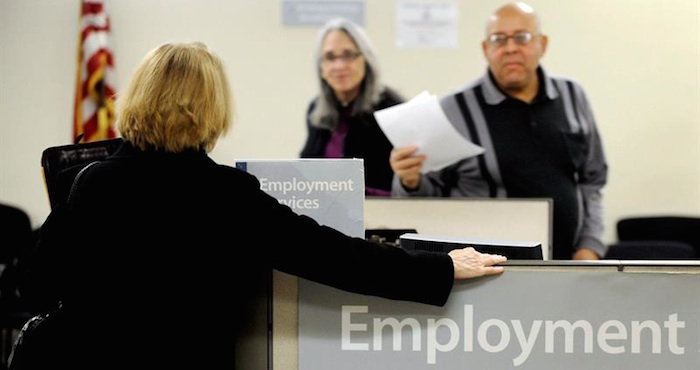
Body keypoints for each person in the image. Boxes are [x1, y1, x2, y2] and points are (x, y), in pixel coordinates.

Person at [18, 42, 507, 369]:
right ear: (213, 109)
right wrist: (440, 267)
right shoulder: (227, 193)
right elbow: (333, 255)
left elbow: (32, 286)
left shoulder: (93, 183)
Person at [390, 2, 608, 260]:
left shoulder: (573, 95)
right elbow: (427, 203)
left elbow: (592, 180)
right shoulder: (453, 110)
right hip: (483, 273)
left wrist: (589, 247)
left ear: (543, 44)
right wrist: (410, 181)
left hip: (567, 264)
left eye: (522, 37)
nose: (511, 48)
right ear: (486, 49)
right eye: (498, 39)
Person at [300, 17, 404, 196]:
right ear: (321, 68)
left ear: (366, 60)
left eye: (348, 55)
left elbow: (402, 185)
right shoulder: (316, 110)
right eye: (330, 57)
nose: (339, 65)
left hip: (381, 216)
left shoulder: (393, 109)